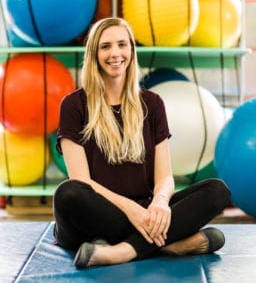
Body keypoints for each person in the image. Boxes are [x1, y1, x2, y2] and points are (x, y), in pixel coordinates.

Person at [53, 17, 231, 268]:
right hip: (95, 214)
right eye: (105, 46)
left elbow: (164, 177)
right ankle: (170, 244)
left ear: (131, 51)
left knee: (217, 190)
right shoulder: (73, 105)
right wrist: (131, 210)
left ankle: (123, 251)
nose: (115, 53)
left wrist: (159, 203)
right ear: (93, 54)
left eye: (122, 45)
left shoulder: (153, 103)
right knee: (67, 193)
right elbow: (81, 181)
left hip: (145, 209)